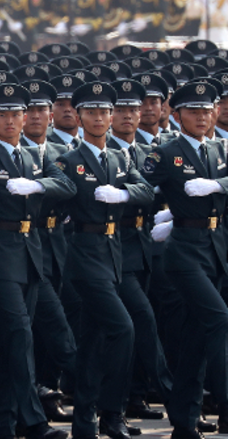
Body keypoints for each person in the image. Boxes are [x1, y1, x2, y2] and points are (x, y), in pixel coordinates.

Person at [0, 83, 75, 439]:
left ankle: (3, 424)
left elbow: (67, 186)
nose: (11, 120)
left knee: (14, 340)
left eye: (17, 114)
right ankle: (33, 422)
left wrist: (39, 186)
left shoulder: (36, 157)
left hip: (31, 253)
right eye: (3, 115)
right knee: (19, 335)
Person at [55, 82, 154, 439]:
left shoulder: (120, 157)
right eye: (91, 111)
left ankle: (86, 422)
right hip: (82, 253)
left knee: (94, 341)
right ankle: (112, 412)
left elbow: (146, 192)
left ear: (111, 117)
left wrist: (123, 192)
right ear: (79, 116)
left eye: (104, 112)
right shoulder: (67, 161)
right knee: (123, 328)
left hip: (114, 254)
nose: (98, 117)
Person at [142, 81, 228, 439]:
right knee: (220, 320)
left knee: (195, 339)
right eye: (193, 111)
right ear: (176, 116)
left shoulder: (220, 150)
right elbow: (141, 188)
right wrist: (157, 218)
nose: (202, 117)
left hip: (217, 248)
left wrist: (220, 185)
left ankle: (184, 421)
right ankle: (226, 404)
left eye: (207, 110)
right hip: (184, 250)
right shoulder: (165, 152)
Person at [106, 79, 173, 423]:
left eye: (136, 108)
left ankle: (131, 397)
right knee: (141, 319)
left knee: (138, 324)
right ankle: (172, 395)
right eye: (123, 109)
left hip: (146, 245)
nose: (132, 115)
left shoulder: (152, 151)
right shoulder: (106, 152)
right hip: (116, 248)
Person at [19, 80, 77, 422]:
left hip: (58, 245)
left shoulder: (60, 153)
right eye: (34, 110)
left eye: (44, 109)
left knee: (55, 322)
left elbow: (69, 187)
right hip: (26, 246)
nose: (39, 116)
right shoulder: (10, 152)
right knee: (49, 326)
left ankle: (47, 389)